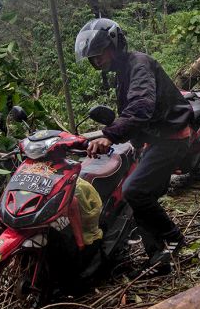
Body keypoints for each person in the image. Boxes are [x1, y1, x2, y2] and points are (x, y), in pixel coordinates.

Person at [74, 18, 191, 273]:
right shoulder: (123, 71)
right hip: (157, 138)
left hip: (171, 138)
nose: (96, 60)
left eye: (99, 52)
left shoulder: (139, 64)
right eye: (92, 57)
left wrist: (110, 136)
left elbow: (140, 107)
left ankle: (173, 237)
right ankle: (158, 255)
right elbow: (130, 113)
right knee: (139, 197)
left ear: (114, 45)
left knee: (133, 191)